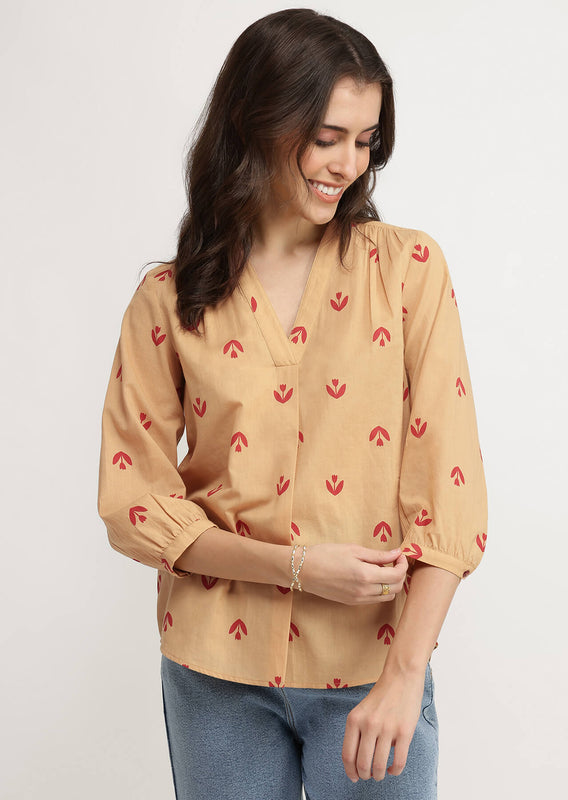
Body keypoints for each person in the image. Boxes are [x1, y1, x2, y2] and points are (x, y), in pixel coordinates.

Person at [97, 8, 487, 799]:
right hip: (215, 671)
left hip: (372, 669)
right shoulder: (170, 299)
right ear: (257, 121)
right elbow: (134, 504)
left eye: (366, 141)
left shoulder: (407, 271)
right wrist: (297, 569)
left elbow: (451, 491)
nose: (348, 164)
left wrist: (405, 675)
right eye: (326, 137)